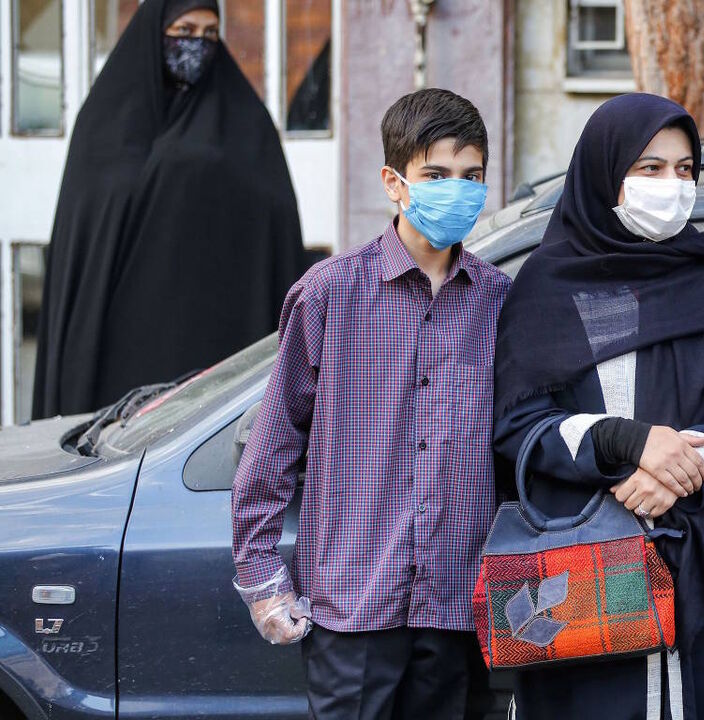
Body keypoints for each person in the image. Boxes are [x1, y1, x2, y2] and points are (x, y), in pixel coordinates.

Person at [492, 93, 704, 720]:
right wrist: (627, 448)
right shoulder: (551, 288)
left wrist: (686, 466)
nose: (672, 185)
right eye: (650, 168)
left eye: (685, 170)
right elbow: (519, 423)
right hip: (581, 562)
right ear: (605, 173)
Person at [231, 88, 508, 720]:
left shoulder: (498, 300)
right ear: (394, 181)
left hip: (459, 605)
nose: (456, 190)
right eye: (435, 175)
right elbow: (274, 444)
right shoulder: (329, 294)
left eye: (472, 177)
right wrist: (262, 580)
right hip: (354, 603)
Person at [32, 0, 307, 419]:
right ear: (154, 35)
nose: (197, 45)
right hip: (116, 353)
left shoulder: (245, 121)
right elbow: (84, 240)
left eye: (209, 34)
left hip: (216, 345)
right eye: (184, 32)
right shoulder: (103, 123)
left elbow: (273, 221)